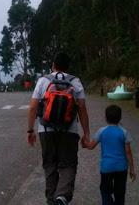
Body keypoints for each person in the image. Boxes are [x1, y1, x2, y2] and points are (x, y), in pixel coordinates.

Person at [27, 52, 90, 205]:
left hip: (46, 131)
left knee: (50, 165)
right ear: (68, 67)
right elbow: (82, 108)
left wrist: (30, 131)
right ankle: (62, 197)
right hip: (69, 131)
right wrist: (86, 133)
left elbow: (33, 107)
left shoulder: (43, 81)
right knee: (68, 164)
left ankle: (51, 199)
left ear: (53, 65)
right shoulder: (75, 82)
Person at [82, 105, 136, 205]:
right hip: (121, 167)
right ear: (120, 118)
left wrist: (84, 142)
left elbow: (90, 146)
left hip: (106, 167)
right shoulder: (124, 132)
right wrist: (132, 168)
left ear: (106, 118)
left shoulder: (101, 131)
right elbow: (128, 152)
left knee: (105, 191)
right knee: (120, 192)